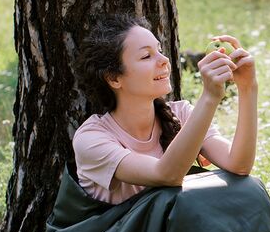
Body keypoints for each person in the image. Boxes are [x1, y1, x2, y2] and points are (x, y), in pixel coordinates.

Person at [71, 13, 258, 205]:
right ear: (114, 78)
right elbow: (167, 175)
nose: (164, 60)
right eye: (146, 56)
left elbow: (238, 165)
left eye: (160, 50)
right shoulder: (91, 138)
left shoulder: (181, 114)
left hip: (178, 230)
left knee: (250, 187)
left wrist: (248, 87)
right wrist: (209, 97)